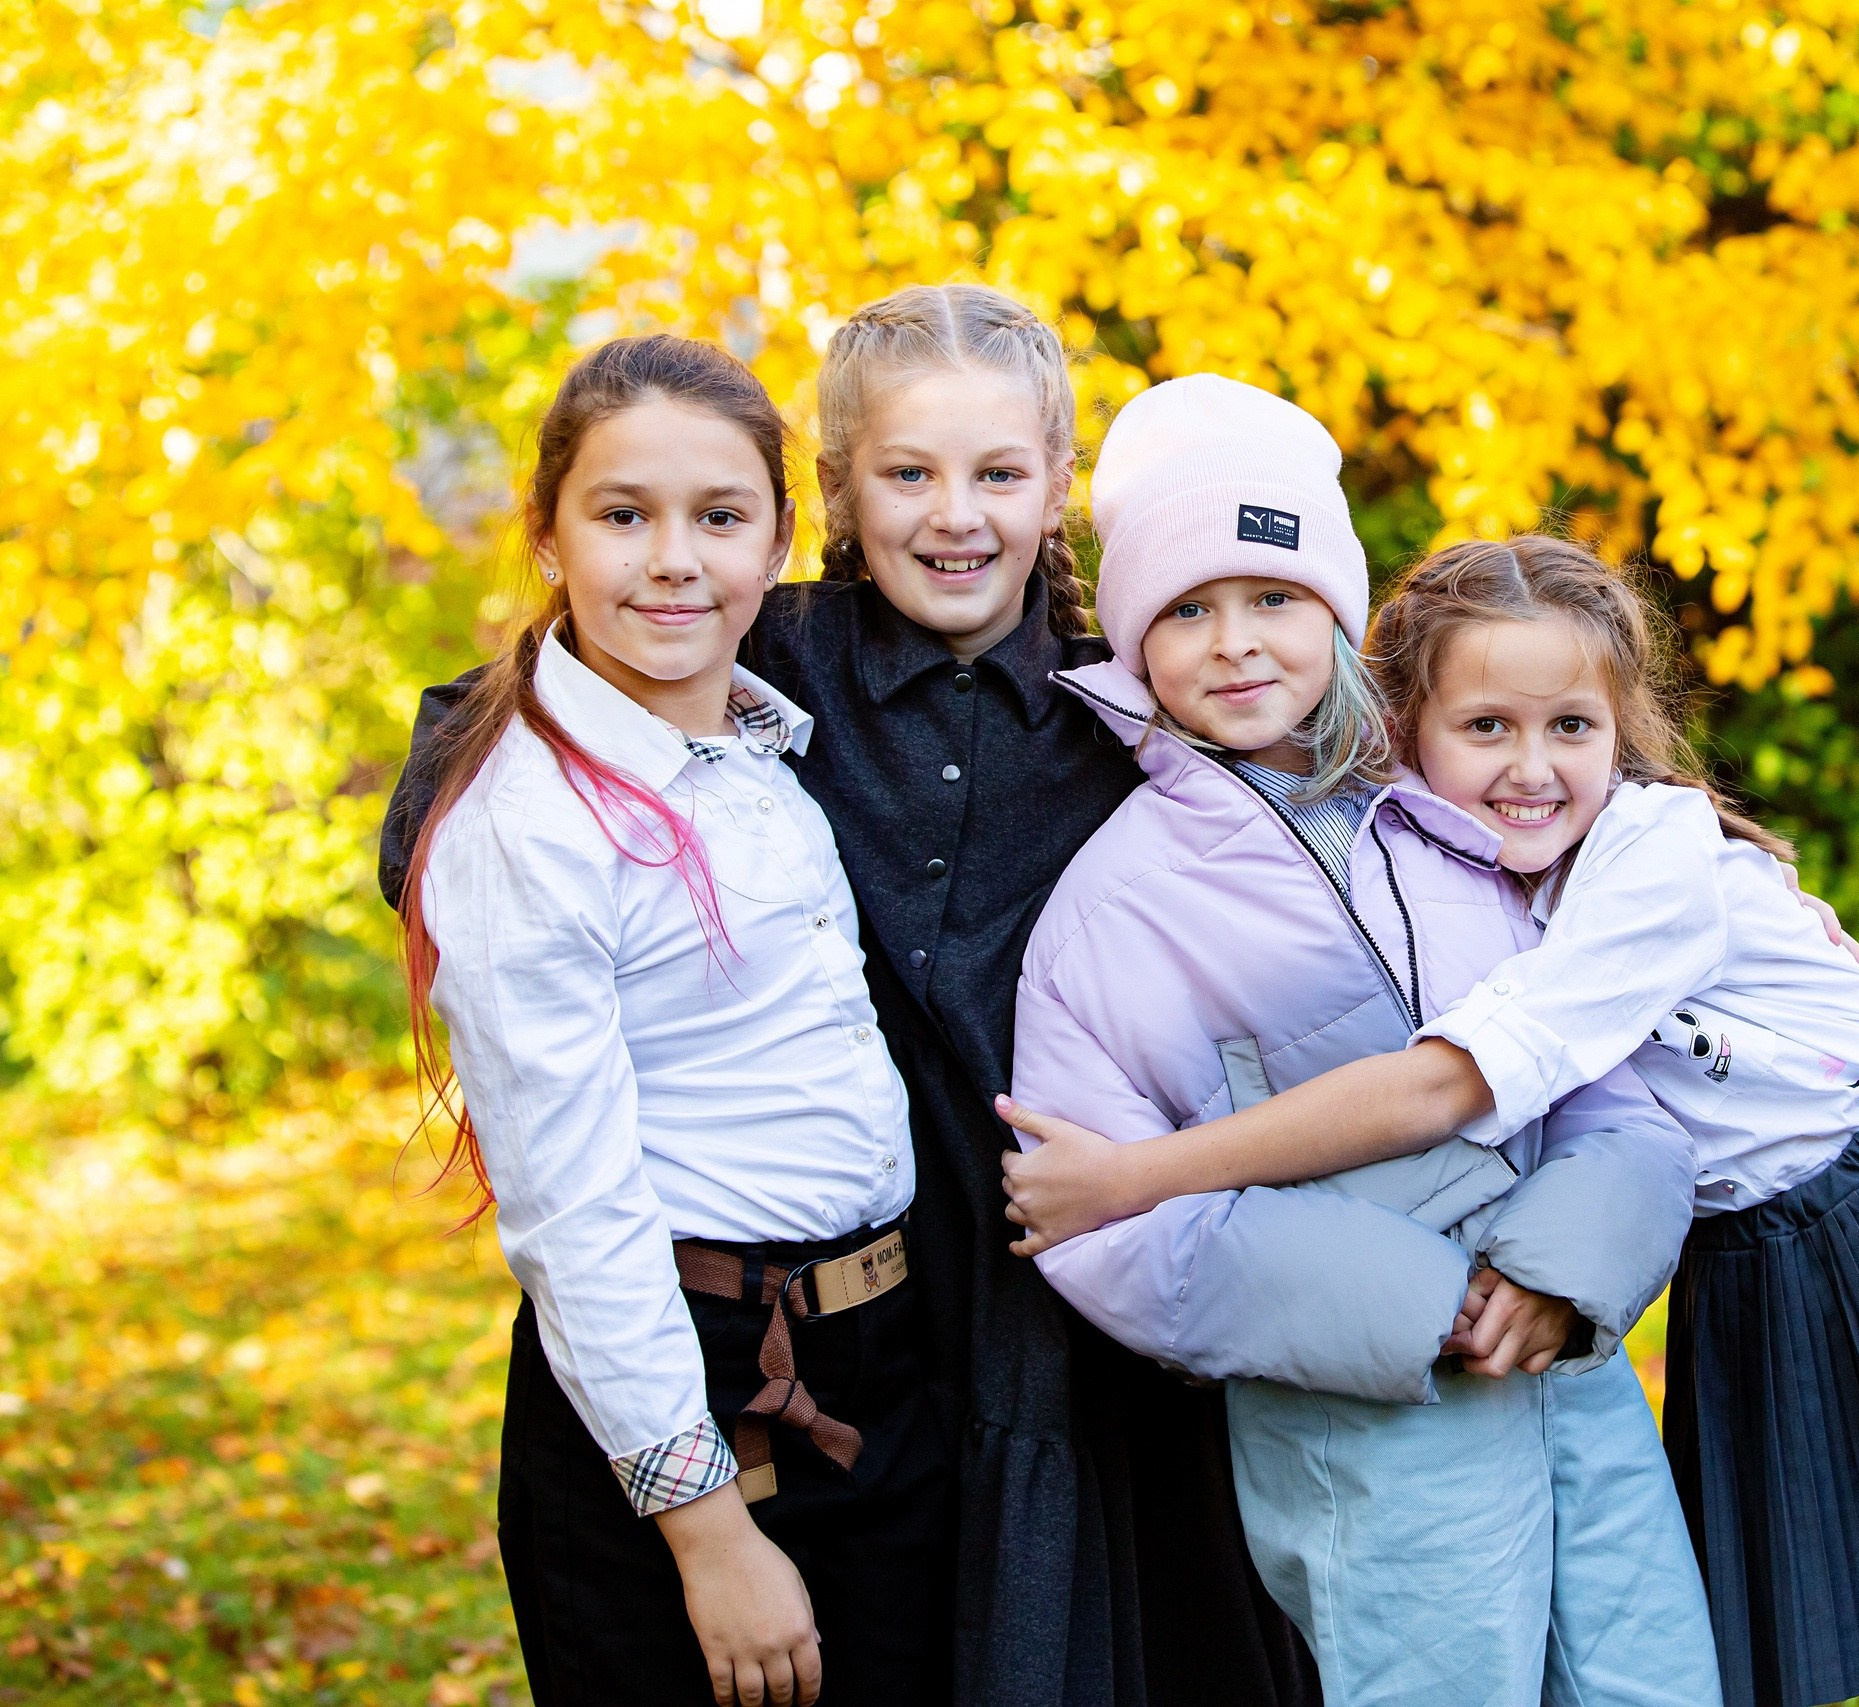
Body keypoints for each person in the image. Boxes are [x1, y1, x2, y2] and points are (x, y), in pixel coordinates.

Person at [1000, 535, 1859, 1707]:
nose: (1530, 766)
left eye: (1570, 727)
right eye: (1486, 726)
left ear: (1623, 729)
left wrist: (1137, 1176)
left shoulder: (1642, 861)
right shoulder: (1473, 873)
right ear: (1402, 730)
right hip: (1774, 1246)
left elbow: (1448, 1086)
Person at [379, 289, 1313, 1707]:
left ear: (1056, 491)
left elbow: (1362, 806)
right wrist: (478, 858)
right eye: (907, 474)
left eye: (1000, 475)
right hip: (789, 1288)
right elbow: (485, 731)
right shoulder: (751, 646)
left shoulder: (1130, 706)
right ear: (834, 491)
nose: (956, 516)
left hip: (1054, 1299)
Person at [1005, 376, 1718, 1707]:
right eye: (1187, 609)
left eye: (1275, 597)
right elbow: (1103, 1220)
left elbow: (1604, 1073)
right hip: (1369, 1406)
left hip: (1565, 1361)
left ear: (1337, 613)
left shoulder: (1447, 817)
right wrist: (1414, 1301)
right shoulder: (1118, 905)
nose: (1236, 642)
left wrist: (1566, 1266)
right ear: (1133, 643)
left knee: (1651, 1673)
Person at [397, 334, 939, 1707]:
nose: (673, 560)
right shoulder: (531, 821)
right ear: (549, 530)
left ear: (779, 539)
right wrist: (705, 1532)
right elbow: (574, 1214)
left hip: (871, 1358)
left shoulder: (757, 748)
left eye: (719, 516)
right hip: (691, 1384)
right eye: (622, 513)